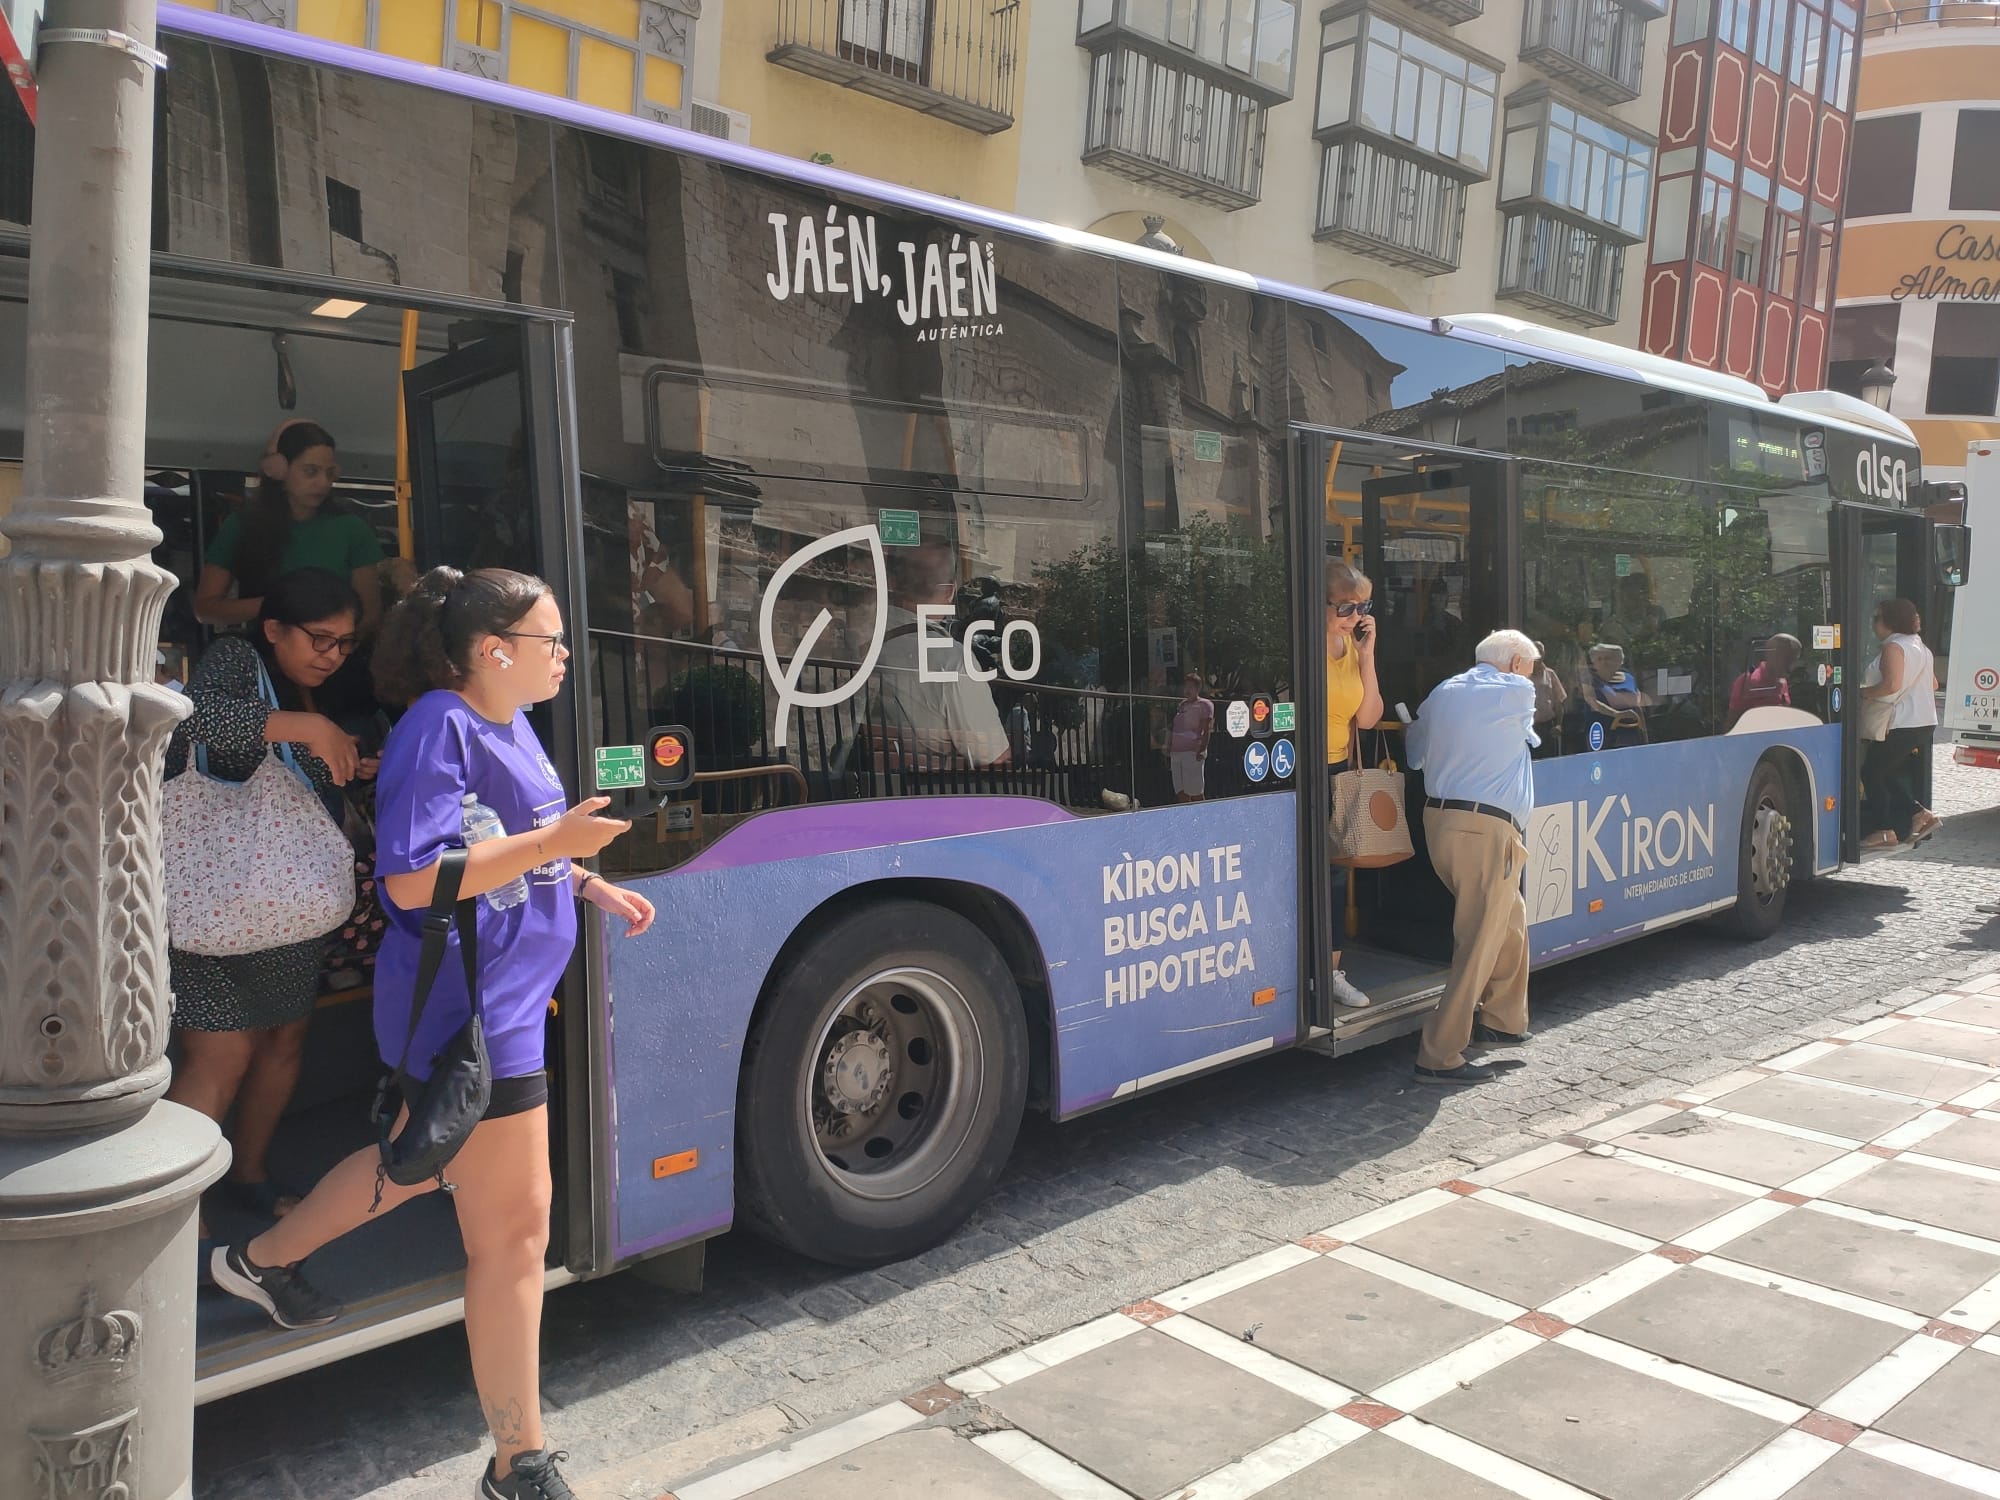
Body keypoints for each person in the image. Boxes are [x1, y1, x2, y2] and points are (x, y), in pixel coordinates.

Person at [209, 567, 655, 1500]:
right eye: (553, 639)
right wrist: (552, 853)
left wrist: (583, 884)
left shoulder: (509, 724)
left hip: (502, 1010)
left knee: (422, 1161)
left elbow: (519, 839)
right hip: (474, 1018)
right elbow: (414, 881)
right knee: (514, 1235)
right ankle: (517, 1461)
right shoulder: (436, 729)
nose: (567, 654)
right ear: (495, 650)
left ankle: (258, 1260)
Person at [164, 569, 375, 1238]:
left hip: (286, 906)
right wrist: (308, 725)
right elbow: (192, 720)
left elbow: (290, 773)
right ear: (274, 629)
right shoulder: (235, 660)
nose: (332, 653)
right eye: (320, 638)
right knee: (219, 1059)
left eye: (344, 643)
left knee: (284, 1044)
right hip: (220, 903)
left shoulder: (301, 685)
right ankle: (175, 1218)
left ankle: (247, 1174)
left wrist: (340, 758)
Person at [1403, 629, 1540, 1086]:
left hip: (1440, 824)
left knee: (1510, 922)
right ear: (1517, 663)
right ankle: (1438, 1053)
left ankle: (1502, 1021)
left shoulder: (1442, 693)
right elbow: (1535, 733)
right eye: (1533, 666)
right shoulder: (1517, 690)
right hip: (1488, 829)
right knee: (1479, 941)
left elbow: (1416, 755)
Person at [195, 419, 385, 634]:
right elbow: (205, 610)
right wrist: (276, 603)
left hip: (338, 658)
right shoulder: (240, 526)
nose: (323, 482)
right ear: (279, 470)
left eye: (329, 473)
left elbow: (370, 615)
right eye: (310, 471)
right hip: (263, 657)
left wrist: (332, 645)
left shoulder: (353, 530)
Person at [869, 520, 1011, 772]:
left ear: (891, 582)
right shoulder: (952, 662)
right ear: (949, 592)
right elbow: (994, 758)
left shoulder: (861, 639)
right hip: (931, 799)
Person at [1326, 558, 1384, 1009]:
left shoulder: (1351, 649)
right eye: (1346, 607)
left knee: (1334, 874)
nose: (1355, 616)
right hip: (1300, 775)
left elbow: (1367, 718)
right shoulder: (1303, 648)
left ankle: (1330, 972)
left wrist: (1367, 656)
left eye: (1361, 606)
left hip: (1339, 771)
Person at [1861, 598, 1941, 851]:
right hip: (1923, 722)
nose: (1874, 623)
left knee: (1871, 771)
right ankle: (1919, 814)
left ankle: (1885, 830)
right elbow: (1935, 685)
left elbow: (1891, 686)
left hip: (1903, 722)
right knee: (1885, 769)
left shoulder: (1893, 647)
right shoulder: (1921, 648)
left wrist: (1861, 692)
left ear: (1889, 621)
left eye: (1877, 618)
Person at [1578, 643, 1649, 749]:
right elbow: (1591, 700)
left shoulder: (1629, 677)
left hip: (1630, 731)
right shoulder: (1589, 678)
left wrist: (1644, 734)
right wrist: (1617, 714)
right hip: (1601, 732)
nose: (1603, 662)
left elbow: (1637, 705)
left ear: (1619, 661)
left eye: (1608, 658)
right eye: (1599, 659)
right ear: (1593, 662)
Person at [1727, 634, 1800, 726]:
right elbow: (1732, 725)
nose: (1790, 666)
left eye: (1792, 660)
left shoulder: (1783, 682)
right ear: (1772, 655)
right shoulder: (1746, 681)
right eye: (1786, 659)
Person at [1167, 672, 1213, 802]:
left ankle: (1203, 818)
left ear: (1197, 688)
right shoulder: (1182, 705)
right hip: (1176, 753)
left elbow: (1206, 729)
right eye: (1185, 686)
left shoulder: (1205, 704)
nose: (1187, 690)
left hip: (1192, 752)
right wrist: (1168, 746)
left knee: (1196, 791)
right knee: (1180, 791)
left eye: (1191, 687)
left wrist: (1202, 749)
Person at [1528, 641, 1567, 759]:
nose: (1537, 654)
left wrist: (1559, 725)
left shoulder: (1550, 674)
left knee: (1550, 762)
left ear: (1544, 653)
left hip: (1548, 728)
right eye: (1535, 650)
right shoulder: (1522, 675)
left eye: (1540, 651)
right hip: (1528, 728)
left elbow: (1559, 702)